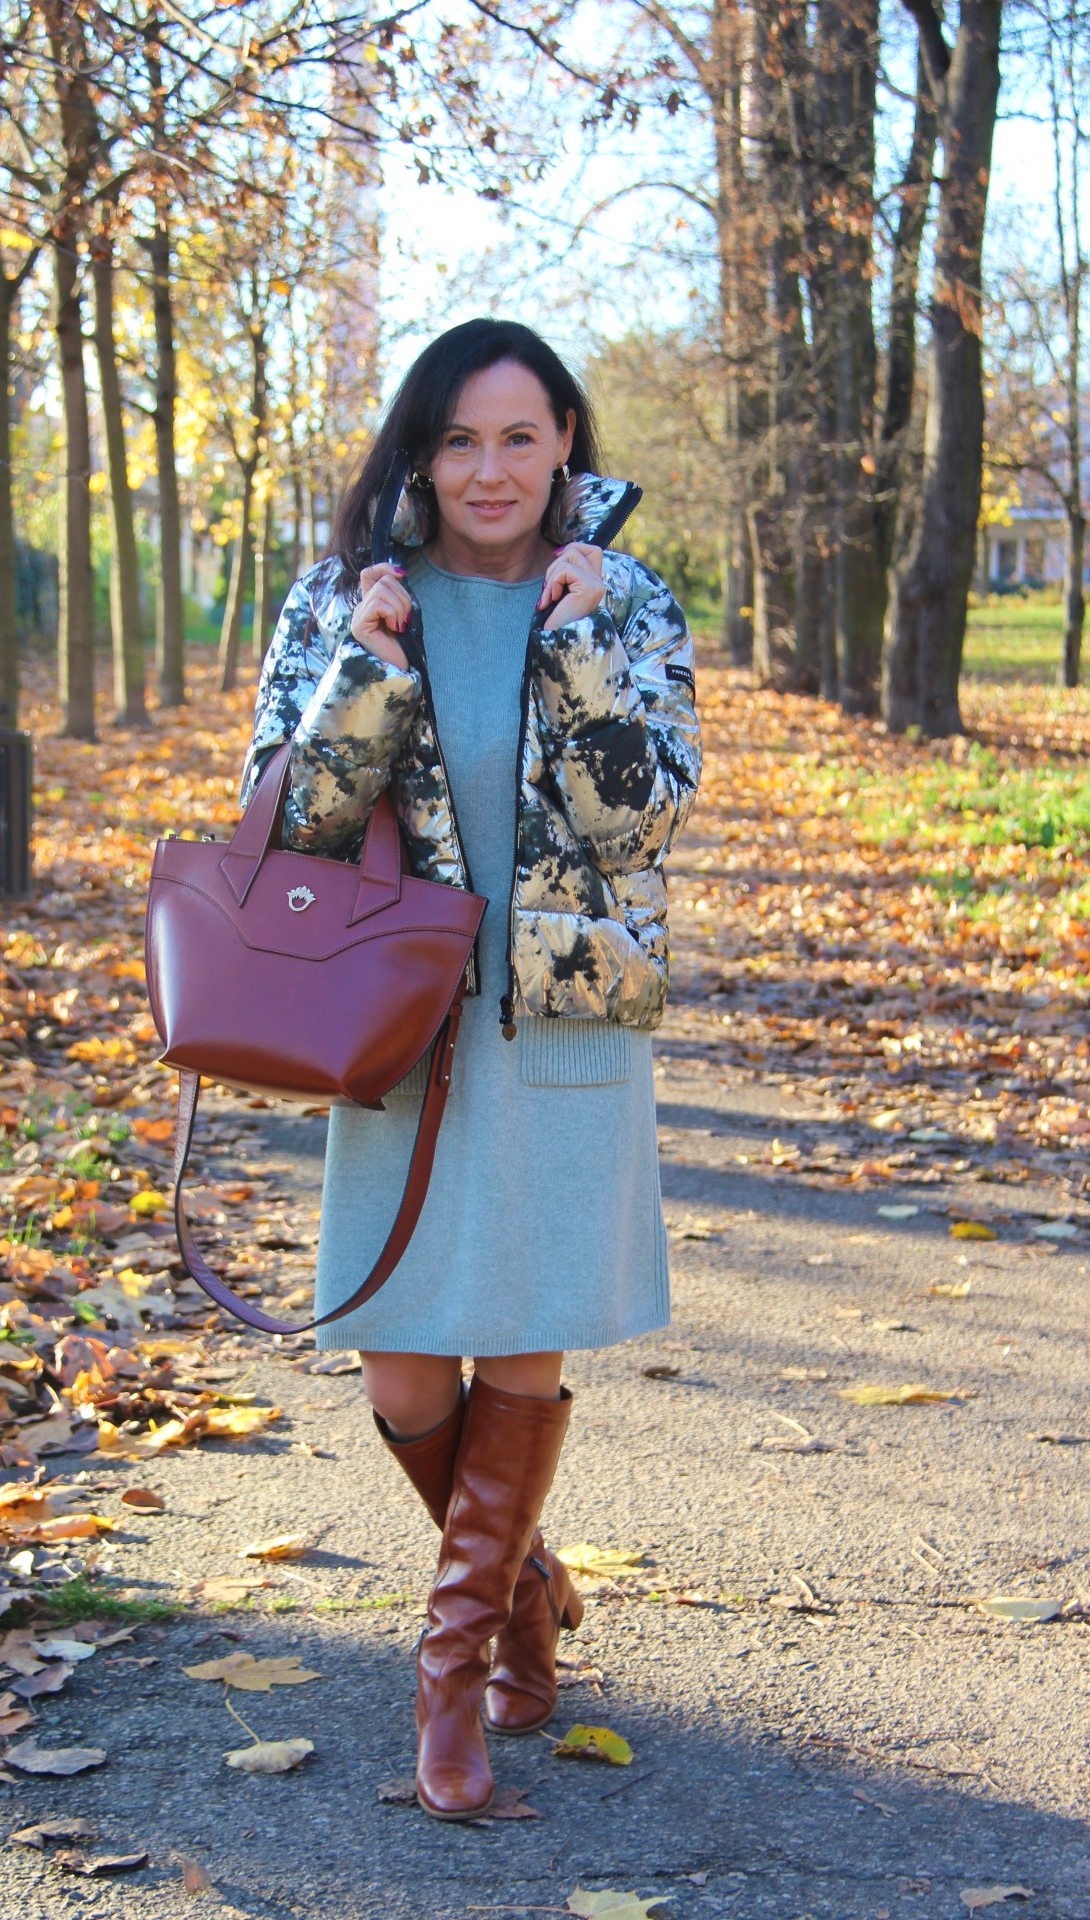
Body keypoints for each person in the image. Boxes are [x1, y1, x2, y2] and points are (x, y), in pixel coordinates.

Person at [238, 318, 702, 1820]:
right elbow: (288, 831)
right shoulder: (343, 597)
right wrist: (365, 669)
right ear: (420, 453)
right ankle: (523, 1586)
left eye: (517, 436)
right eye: (457, 440)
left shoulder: (628, 599)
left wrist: (578, 645)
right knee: (399, 1360)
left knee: (517, 1344)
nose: (488, 470)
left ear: (565, 442)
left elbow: (644, 823)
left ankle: (454, 1680)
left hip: (561, 1021)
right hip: (400, 1021)